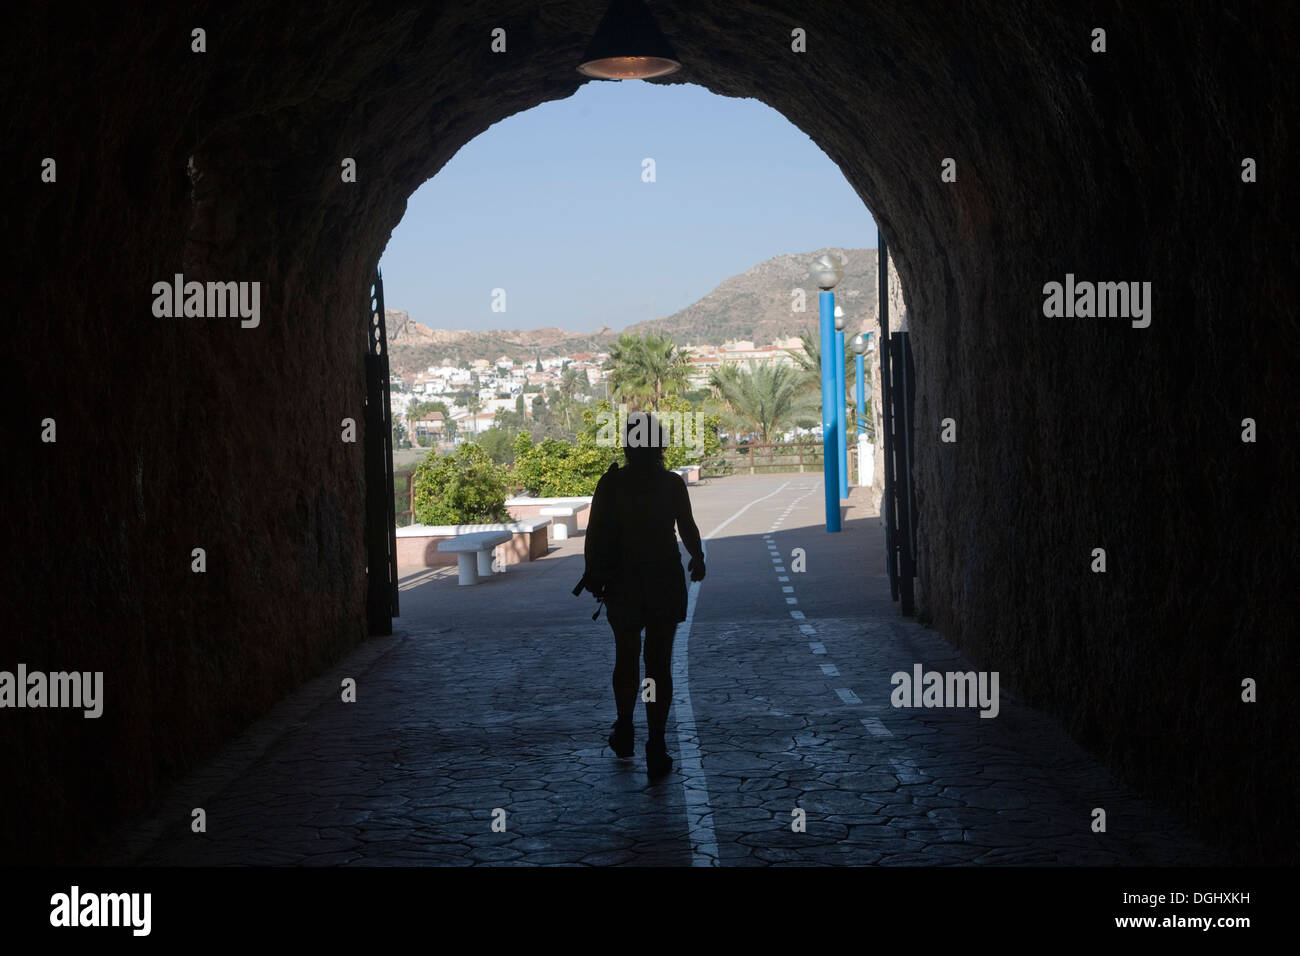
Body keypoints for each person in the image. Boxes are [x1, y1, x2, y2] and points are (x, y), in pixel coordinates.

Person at [582, 412, 705, 779]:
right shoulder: (671, 484)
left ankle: (624, 726)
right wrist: (697, 558)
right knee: (657, 666)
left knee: (626, 658)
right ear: (660, 445)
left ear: (627, 444)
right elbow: (687, 527)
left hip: (623, 586)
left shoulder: (611, 484)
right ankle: (656, 741)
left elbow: (594, 534)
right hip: (664, 584)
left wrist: (595, 575)